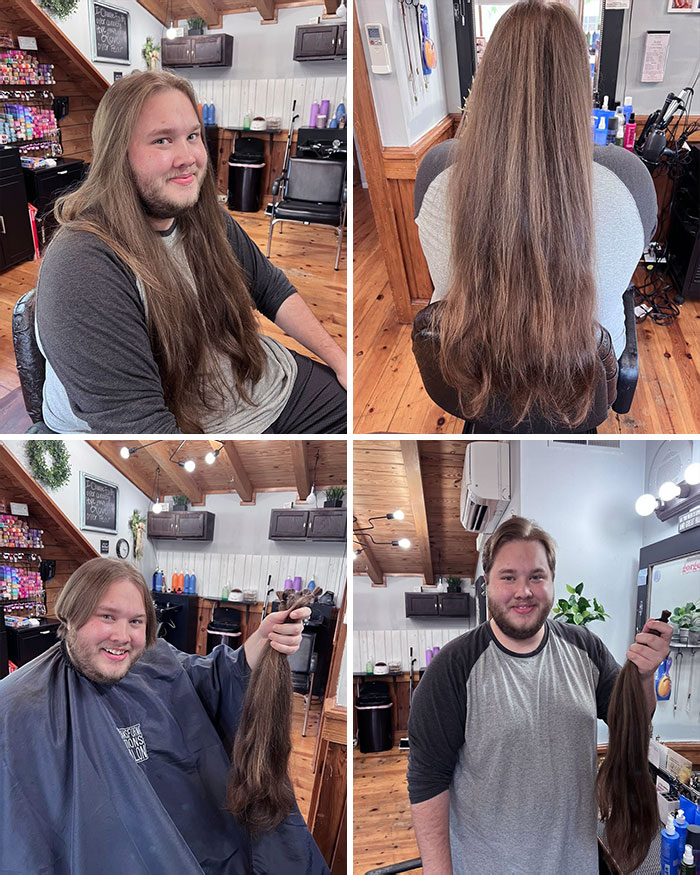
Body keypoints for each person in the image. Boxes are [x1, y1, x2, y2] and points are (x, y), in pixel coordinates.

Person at [34, 70, 346, 434]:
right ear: (116, 155)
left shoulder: (204, 217)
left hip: (250, 381)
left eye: (193, 136)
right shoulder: (84, 266)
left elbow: (270, 288)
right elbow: (144, 427)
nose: (188, 157)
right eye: (163, 140)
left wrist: (340, 361)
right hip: (192, 427)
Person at [413, 0, 657, 430]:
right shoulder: (628, 178)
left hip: (471, 372)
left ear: (487, 80)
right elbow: (628, 262)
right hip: (581, 383)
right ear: (580, 83)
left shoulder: (437, 168)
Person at [0, 558, 330, 874]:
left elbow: (208, 678)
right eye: (106, 616)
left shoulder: (156, 660)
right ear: (71, 616)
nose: (122, 636)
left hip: (202, 847)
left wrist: (260, 640)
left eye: (136, 621)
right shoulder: (18, 707)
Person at [407, 516, 671, 874]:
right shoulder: (453, 669)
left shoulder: (585, 648)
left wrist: (644, 676)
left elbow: (632, 720)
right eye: (509, 577)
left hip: (576, 863)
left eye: (536, 577)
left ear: (551, 581)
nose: (524, 591)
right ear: (487, 583)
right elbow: (427, 783)